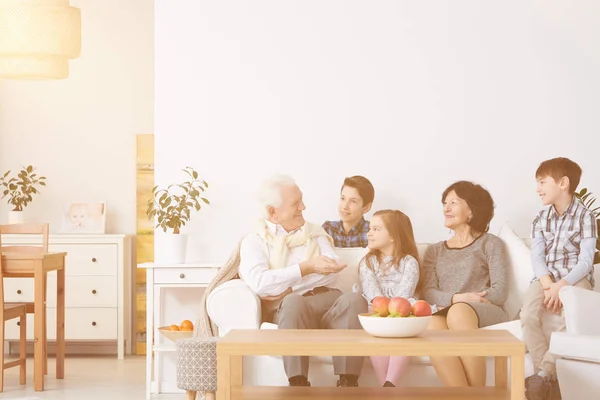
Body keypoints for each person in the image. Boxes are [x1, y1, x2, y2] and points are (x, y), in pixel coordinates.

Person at [237, 174, 368, 387]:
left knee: (354, 299)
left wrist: (285, 283)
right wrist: (306, 268)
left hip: (328, 302)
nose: (303, 207)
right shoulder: (255, 240)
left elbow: (332, 267)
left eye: (302, 200)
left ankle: (348, 383)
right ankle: (298, 384)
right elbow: (260, 284)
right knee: (294, 302)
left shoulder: (315, 233)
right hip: (292, 310)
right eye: (295, 203)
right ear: (273, 212)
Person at [420, 181, 509, 387]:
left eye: (454, 202)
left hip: (486, 311)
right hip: (450, 308)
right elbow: (429, 293)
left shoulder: (490, 243)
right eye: (445, 203)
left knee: (458, 312)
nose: (446, 208)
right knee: (432, 323)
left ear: (471, 211)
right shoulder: (435, 251)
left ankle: (477, 395)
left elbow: (500, 291)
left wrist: (467, 303)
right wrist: (458, 299)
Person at [522, 157, 598, 400]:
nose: (538, 188)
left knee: (572, 318)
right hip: (546, 278)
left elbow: (586, 261)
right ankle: (543, 377)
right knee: (527, 315)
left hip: (575, 279)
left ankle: (543, 374)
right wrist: (547, 284)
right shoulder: (540, 218)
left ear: (563, 183)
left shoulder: (585, 217)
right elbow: (536, 257)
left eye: (542, 182)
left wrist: (562, 287)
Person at [358, 209, 420, 387]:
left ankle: (390, 384)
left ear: (393, 236)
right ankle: (386, 387)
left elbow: (405, 292)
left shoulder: (409, 262)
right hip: (375, 308)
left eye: (376, 229)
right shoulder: (368, 262)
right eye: (370, 228)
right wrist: (382, 308)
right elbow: (371, 291)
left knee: (404, 332)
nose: (369, 233)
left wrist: (394, 311)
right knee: (376, 334)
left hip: (400, 310)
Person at [322, 175, 375, 248]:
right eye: (343, 198)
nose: (345, 206)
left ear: (366, 207)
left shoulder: (372, 233)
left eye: (353, 201)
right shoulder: (328, 229)